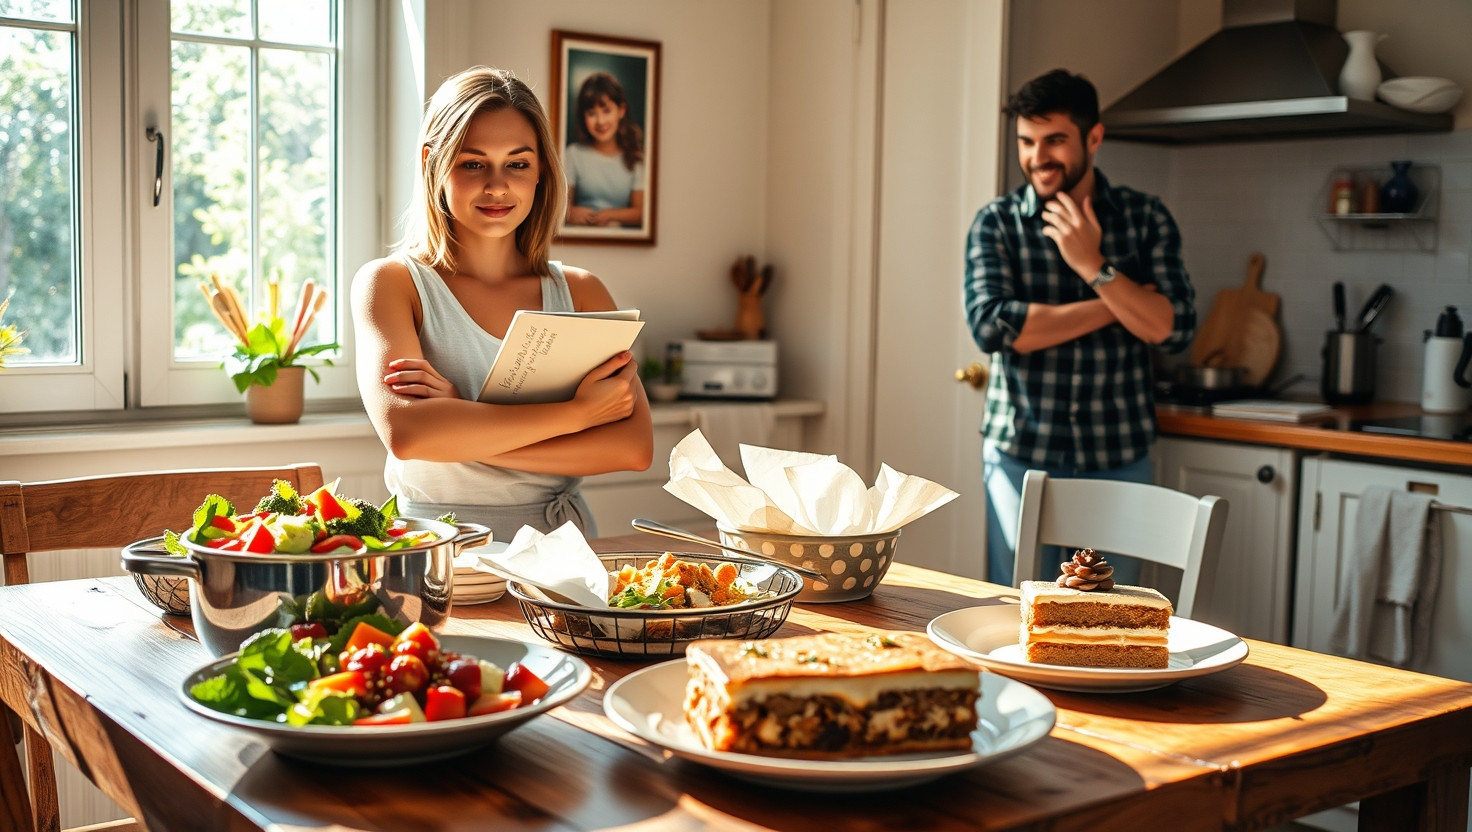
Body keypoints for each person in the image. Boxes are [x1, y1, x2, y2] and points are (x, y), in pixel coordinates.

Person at [351, 66, 653, 537]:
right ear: (434, 162)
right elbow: (410, 435)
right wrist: (576, 416)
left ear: (540, 173)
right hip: (436, 549)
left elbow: (632, 448)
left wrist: (462, 423)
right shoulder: (392, 284)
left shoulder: (582, 292)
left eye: (517, 163)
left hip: (564, 548)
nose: (497, 186)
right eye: (473, 163)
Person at [964, 68, 1196, 587]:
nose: (1037, 157)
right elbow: (995, 329)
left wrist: (1093, 266)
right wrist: (1122, 298)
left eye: (1055, 140)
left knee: (1111, 612)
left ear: (1094, 137)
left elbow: (1173, 329)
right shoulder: (996, 223)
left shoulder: (1145, 218)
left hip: (1117, 454)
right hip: (1019, 456)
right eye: (1026, 142)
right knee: (1019, 607)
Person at [563, 71, 646, 228]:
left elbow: (641, 213)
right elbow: (561, 208)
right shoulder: (573, 154)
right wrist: (571, 213)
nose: (600, 121)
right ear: (583, 116)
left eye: (606, 110)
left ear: (621, 111)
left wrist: (610, 215)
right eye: (592, 113)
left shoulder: (636, 158)